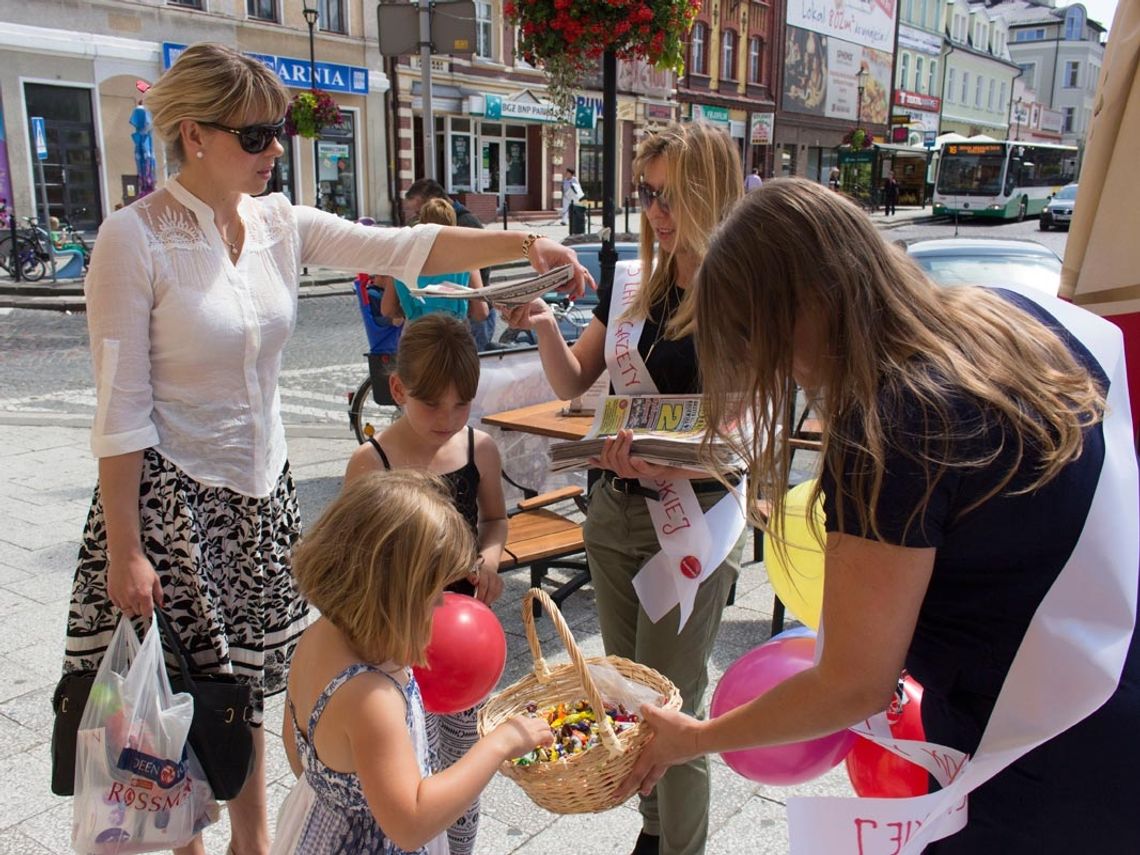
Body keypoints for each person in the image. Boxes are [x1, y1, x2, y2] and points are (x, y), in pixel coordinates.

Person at [62, 41, 589, 855]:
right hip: (172, 501)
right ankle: (189, 840)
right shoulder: (132, 239)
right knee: (181, 692)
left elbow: (407, 246)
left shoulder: (277, 221)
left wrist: (523, 245)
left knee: (246, 685)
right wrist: (126, 547)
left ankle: (253, 842)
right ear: (194, 134)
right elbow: (121, 409)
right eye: (255, 135)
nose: (275, 150)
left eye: (277, 132)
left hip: (258, 493)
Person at [622, 178, 1140, 853]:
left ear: (796, 308)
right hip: (1109, 682)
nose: (775, 368)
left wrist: (694, 738)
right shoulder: (1004, 315)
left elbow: (852, 684)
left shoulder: (892, 425)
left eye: (754, 336)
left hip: (1037, 760)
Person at [501, 122, 748, 855]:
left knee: (675, 709)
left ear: (712, 192)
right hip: (611, 511)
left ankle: (680, 847)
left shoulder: (744, 294)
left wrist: (670, 466)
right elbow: (574, 381)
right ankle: (653, 831)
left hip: (691, 519)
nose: (656, 212)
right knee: (632, 699)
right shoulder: (638, 281)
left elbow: (744, 438)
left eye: (672, 195)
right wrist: (543, 323)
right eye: (647, 193)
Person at [273, 469, 552, 854]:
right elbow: (411, 824)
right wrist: (499, 744)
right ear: (393, 596)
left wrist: (347, 793)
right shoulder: (371, 697)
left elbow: (297, 753)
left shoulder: (317, 637)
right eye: (434, 593)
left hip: (318, 826)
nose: (440, 605)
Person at [343, 313, 506, 854]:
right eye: (432, 403)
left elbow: (495, 520)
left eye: (462, 405)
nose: (448, 418)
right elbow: (352, 564)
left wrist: (488, 559)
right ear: (397, 389)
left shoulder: (478, 448)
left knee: (463, 766)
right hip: (396, 644)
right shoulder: (372, 463)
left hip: (462, 647)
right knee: (409, 767)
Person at [404, 178, 496, 351]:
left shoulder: (466, 224)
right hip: (462, 317)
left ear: (434, 203)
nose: (417, 219)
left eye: (419, 212)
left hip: (472, 314)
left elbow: (483, 270)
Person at [379, 198, 489, 327]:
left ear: (422, 223)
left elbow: (387, 309)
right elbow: (481, 312)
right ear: (453, 224)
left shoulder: (403, 259)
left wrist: (406, 312)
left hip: (417, 329)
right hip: (454, 330)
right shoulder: (466, 259)